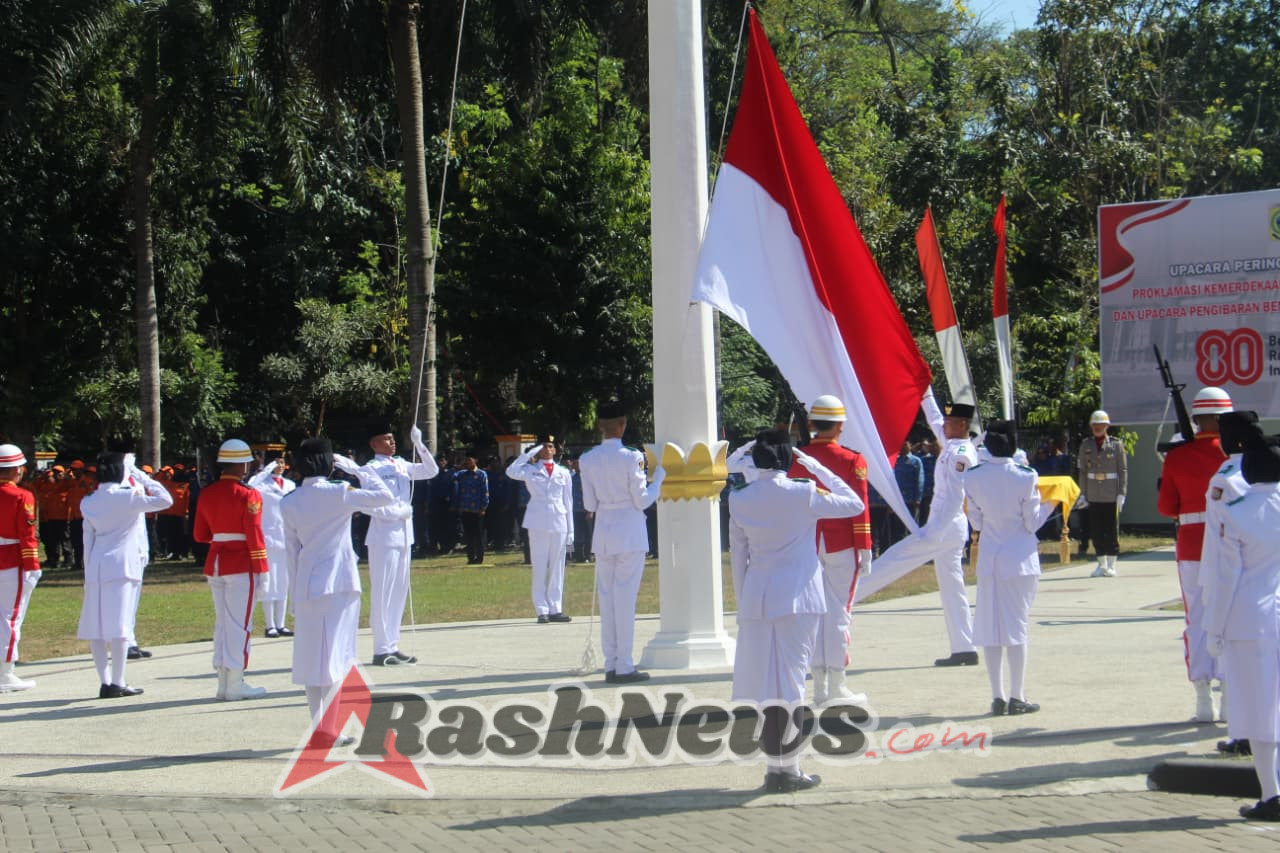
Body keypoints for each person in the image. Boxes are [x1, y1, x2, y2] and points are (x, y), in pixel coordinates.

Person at [729, 430, 865, 793]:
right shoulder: (803, 491)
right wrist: (817, 467)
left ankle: (775, 766)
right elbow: (853, 503)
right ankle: (789, 768)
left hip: (758, 598)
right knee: (790, 683)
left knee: (766, 682)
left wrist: (744, 603)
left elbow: (738, 558)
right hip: (799, 598)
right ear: (788, 459)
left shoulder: (739, 498)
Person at [281, 439, 393, 747]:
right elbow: (384, 496)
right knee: (336, 658)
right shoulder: (339, 492)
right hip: (339, 583)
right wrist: (358, 470)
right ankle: (327, 729)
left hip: (306, 584)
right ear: (329, 463)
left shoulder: (288, 501)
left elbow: (291, 554)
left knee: (311, 658)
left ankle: (321, 726)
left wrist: (293, 594)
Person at [854, 399, 980, 668]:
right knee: (952, 587)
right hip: (948, 527)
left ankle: (842, 601)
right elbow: (935, 418)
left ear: (962, 425)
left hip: (943, 528)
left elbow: (955, 497)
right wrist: (926, 395)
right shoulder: (952, 444)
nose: (942, 426)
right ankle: (964, 647)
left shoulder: (961, 453)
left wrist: (934, 532)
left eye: (949, 422)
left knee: (892, 560)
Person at [1203, 422, 1280, 822]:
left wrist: (1213, 630)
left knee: (1258, 709)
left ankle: (1272, 794)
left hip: (1250, 619)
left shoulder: (1237, 514)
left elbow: (1224, 577)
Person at [785, 394, 872, 704]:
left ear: (812, 424)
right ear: (840, 426)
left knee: (814, 616)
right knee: (839, 614)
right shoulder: (852, 460)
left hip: (807, 543)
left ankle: (820, 685)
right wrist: (864, 544)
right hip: (841, 543)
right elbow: (859, 506)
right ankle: (835, 685)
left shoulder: (798, 458)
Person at [963, 420, 1054, 716]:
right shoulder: (1025, 476)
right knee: (1016, 629)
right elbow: (1031, 522)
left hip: (990, 558)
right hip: (1019, 559)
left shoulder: (974, 477)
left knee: (991, 629)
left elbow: (975, 523)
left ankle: (998, 696)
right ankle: (1017, 695)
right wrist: (1052, 506)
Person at [1157, 386, 1231, 721]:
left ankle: (1203, 701)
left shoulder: (1177, 456)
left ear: (1196, 419)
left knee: (1197, 620)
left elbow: (1166, 507)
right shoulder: (1235, 455)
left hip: (1191, 544)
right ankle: (1231, 697)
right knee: (1231, 619)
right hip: (1231, 545)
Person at [578, 400, 666, 683]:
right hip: (629, 530)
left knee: (608, 599)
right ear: (622, 425)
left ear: (600, 427)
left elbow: (589, 503)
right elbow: (642, 500)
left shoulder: (587, 458)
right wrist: (659, 480)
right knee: (624, 600)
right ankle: (624, 665)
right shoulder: (632, 457)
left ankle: (611, 663)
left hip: (603, 531)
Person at [77, 452, 172, 698]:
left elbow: (88, 540)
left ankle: (105, 681)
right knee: (120, 625)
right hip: (122, 566)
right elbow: (165, 499)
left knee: (96, 626)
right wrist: (140, 475)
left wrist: (88, 573)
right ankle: (118, 681)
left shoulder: (88, 501)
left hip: (96, 565)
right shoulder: (129, 497)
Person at [193, 438, 270, 701]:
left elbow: (200, 534)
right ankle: (235, 682)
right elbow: (254, 533)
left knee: (223, 623)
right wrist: (263, 568)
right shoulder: (249, 494)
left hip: (216, 561)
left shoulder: (207, 492)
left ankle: (224, 682)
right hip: (241, 563)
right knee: (240, 624)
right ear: (243, 466)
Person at [1202, 410, 1258, 756]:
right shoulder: (1258, 470)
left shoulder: (1228, 475)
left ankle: (1244, 734)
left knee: (1238, 669)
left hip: (1236, 582)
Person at [362, 424, 438, 666]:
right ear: (374, 444)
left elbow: (431, 470)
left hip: (404, 535)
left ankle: (392, 645)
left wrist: (419, 443)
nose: (392, 442)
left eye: (393, 438)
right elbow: (368, 504)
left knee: (398, 593)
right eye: (386, 439)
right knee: (382, 592)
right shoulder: (370, 469)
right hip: (383, 535)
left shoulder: (401, 464)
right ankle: (380, 649)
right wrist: (397, 512)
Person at [506, 435, 574, 623]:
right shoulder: (530, 469)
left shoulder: (563, 472)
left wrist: (571, 531)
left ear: (555, 450)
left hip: (559, 521)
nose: (546, 449)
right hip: (537, 521)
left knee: (557, 567)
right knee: (539, 566)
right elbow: (511, 471)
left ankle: (556, 608)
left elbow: (568, 502)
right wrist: (528, 454)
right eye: (543, 446)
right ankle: (541, 609)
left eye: (550, 446)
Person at [0, 445, 40, 693]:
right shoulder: (21, 496)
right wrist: (32, 565)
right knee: (11, 616)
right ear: (17, 470)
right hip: (12, 561)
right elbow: (27, 534)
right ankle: (5, 673)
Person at [248, 456, 297, 638]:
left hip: (286, 537)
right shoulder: (262, 484)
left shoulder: (291, 485)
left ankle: (281, 624)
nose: (280, 466)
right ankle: (270, 625)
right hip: (268, 537)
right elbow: (251, 484)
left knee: (284, 582)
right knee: (269, 582)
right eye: (276, 463)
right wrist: (266, 469)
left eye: (283, 462)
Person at [1078, 410, 1127, 577]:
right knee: (1097, 530)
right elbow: (1083, 471)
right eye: (1095, 425)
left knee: (1111, 529)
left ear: (1107, 426)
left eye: (1101, 425)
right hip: (1093, 492)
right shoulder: (1086, 445)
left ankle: (1112, 564)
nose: (1097, 428)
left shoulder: (1116, 444)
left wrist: (1122, 492)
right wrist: (1083, 494)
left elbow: (1122, 470)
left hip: (1110, 492)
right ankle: (1101, 564)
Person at [452, 453, 489, 565]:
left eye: (470, 460)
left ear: (475, 460)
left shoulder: (482, 474)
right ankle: (471, 557)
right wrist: (458, 466)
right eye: (466, 461)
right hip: (466, 509)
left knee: (478, 535)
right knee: (468, 535)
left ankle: (479, 557)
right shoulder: (462, 474)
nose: (468, 462)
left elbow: (485, 492)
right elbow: (452, 476)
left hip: (477, 509)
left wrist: (483, 507)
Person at [890, 441, 924, 546]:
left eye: (905, 444)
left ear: (910, 446)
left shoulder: (916, 461)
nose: (903, 446)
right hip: (898, 500)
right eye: (901, 444)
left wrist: (918, 498)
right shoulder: (895, 460)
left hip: (911, 500)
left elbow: (919, 480)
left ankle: (914, 548)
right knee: (898, 528)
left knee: (911, 527)